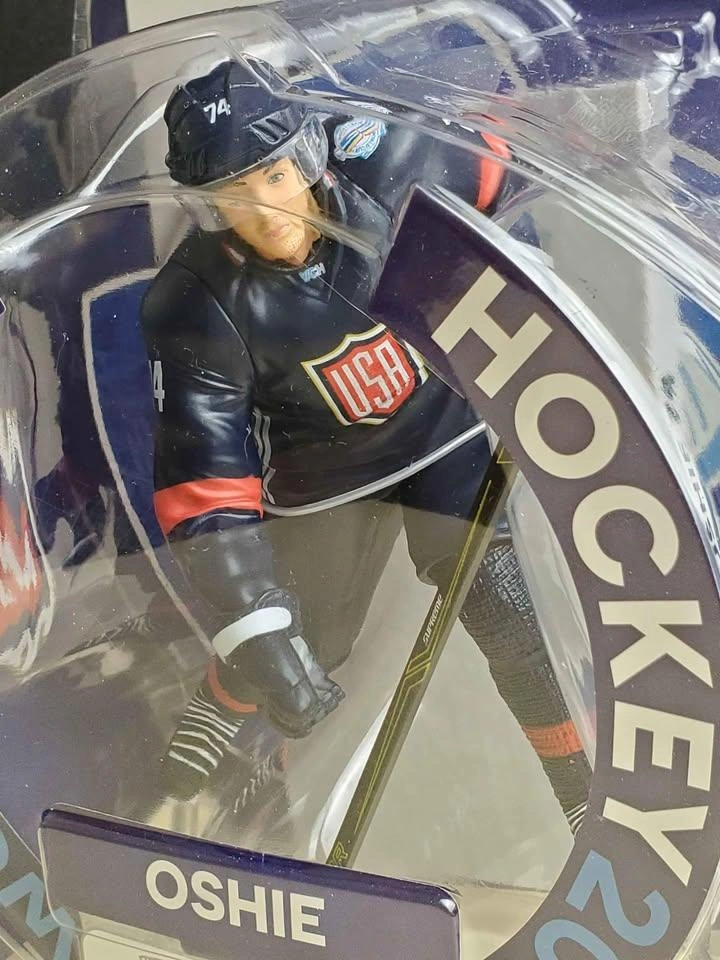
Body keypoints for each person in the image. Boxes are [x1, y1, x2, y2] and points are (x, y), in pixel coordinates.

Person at [141, 55, 590, 832]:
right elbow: (204, 479)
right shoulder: (195, 301)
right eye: (233, 195)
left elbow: (510, 157)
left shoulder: (396, 161)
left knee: (510, 613)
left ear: (309, 152)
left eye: (274, 174)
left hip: (444, 431)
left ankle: (581, 795)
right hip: (326, 475)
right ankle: (223, 696)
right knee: (307, 639)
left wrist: (526, 251)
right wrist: (254, 622)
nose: (265, 210)